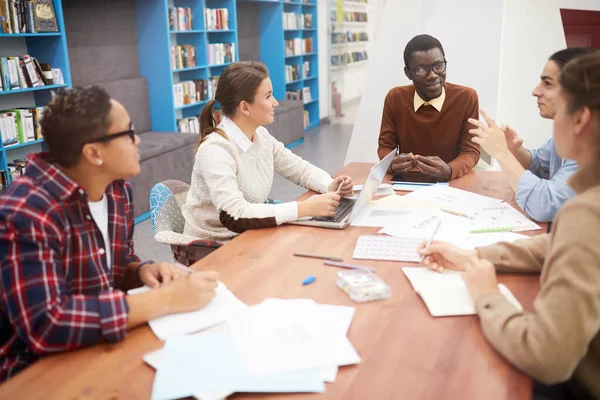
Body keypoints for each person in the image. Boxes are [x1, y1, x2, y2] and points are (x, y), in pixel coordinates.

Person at [0, 87, 219, 381]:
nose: (137, 139)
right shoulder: (26, 211)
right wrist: (166, 299)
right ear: (93, 153)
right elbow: (46, 326)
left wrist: (142, 271)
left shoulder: (116, 190)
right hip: (34, 372)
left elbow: (113, 266)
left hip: (99, 345)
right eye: (128, 132)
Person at [421, 52, 600, 400]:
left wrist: (487, 295)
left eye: (549, 86)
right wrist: (473, 253)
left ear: (580, 118)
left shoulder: (587, 212)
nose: (536, 91)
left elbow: (548, 358)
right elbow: (557, 243)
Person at [182, 62, 353, 242]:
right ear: (245, 107)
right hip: (215, 246)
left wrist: (329, 184)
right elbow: (233, 214)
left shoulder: (261, 136)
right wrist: (303, 208)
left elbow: (299, 169)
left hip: (250, 233)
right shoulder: (215, 150)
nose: (275, 102)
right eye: (268, 96)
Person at [469, 47, 597, 222]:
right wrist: (514, 150)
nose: (535, 91)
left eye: (548, 84)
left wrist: (502, 153)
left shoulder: (591, 146)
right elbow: (540, 162)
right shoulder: (569, 135)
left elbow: (546, 205)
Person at [378, 34, 480, 181]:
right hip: (408, 182)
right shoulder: (395, 98)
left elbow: (471, 151)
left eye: (438, 66)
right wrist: (391, 164)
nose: (432, 75)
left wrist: (450, 170)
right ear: (408, 73)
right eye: (421, 69)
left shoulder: (466, 97)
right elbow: (385, 147)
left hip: (451, 181)